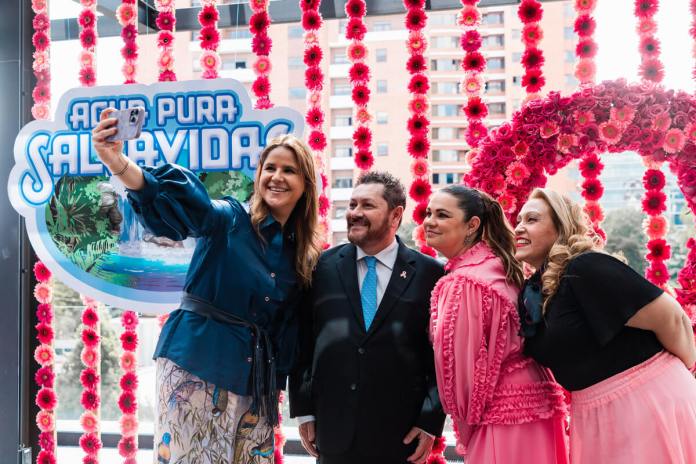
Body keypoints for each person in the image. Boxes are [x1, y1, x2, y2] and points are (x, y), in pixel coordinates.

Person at [92, 109, 323, 463]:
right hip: (198, 365)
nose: (277, 177)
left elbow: (297, 337)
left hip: (257, 385)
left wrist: (303, 407)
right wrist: (118, 162)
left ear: (306, 184)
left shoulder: (302, 257)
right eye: (270, 168)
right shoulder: (230, 218)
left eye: (289, 170)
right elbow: (185, 207)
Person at [515, 188, 696, 464]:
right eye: (518, 220)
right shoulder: (534, 292)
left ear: (561, 227)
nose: (519, 227)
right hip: (592, 415)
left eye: (532, 219)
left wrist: (683, 380)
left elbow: (673, 319)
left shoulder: (586, 267)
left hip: (644, 401)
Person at [289, 172, 446, 464]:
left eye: (367, 206)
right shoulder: (321, 268)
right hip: (334, 432)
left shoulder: (430, 274)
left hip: (402, 437)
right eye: (352, 205)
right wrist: (304, 409)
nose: (355, 214)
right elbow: (303, 343)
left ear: (395, 215)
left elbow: (440, 356)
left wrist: (430, 419)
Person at [424, 185, 569, 464]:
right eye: (429, 213)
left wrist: (467, 434)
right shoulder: (498, 266)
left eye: (442, 215)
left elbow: (461, 377)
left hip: (501, 416)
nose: (429, 221)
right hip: (537, 406)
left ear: (472, 225)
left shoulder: (464, 282)